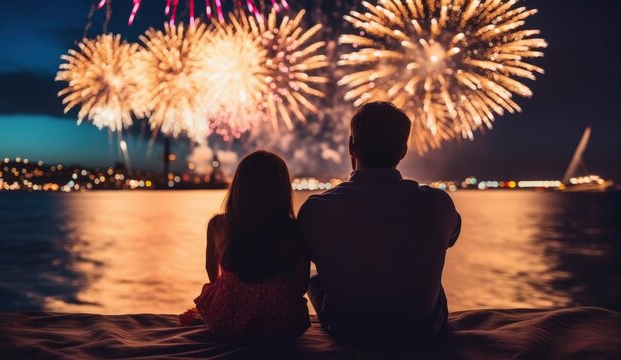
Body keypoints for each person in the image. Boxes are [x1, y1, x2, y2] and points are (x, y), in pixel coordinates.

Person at [298, 102, 461, 339]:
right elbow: (451, 237)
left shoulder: (315, 209)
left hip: (348, 330)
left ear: (351, 146)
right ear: (403, 151)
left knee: (314, 278)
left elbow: (301, 257)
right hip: (421, 329)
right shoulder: (438, 203)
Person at [180, 151, 310, 339]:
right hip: (282, 324)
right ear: (281, 190)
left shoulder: (217, 225)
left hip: (226, 320)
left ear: (238, 187)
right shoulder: (294, 230)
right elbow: (301, 286)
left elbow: (212, 274)